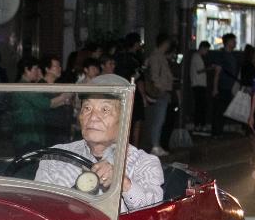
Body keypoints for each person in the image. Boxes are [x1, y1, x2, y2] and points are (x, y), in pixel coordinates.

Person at [34, 75, 162, 212]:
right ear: (80, 116)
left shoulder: (144, 163)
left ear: (125, 118)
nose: (93, 117)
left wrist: (122, 182)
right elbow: (38, 209)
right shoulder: (55, 157)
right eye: (87, 108)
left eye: (105, 109)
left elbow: (153, 211)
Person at [144, 33, 175, 156]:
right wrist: (159, 87)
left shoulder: (159, 55)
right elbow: (155, 74)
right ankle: (155, 145)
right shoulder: (157, 56)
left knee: (159, 119)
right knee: (159, 119)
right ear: (165, 43)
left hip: (162, 90)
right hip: (160, 91)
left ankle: (156, 144)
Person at [208, 33, 242, 137]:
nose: (235, 43)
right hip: (222, 86)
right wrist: (215, 88)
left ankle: (219, 131)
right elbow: (217, 73)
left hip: (228, 86)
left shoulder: (231, 55)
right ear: (227, 42)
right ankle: (216, 132)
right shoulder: (222, 55)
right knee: (219, 110)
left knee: (223, 110)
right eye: (233, 41)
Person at [189, 41, 210, 132]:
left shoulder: (196, 57)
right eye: (206, 50)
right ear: (202, 48)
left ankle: (199, 125)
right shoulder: (196, 57)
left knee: (200, 106)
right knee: (200, 106)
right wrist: (209, 68)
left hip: (198, 84)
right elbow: (199, 70)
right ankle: (199, 125)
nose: (207, 52)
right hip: (198, 85)